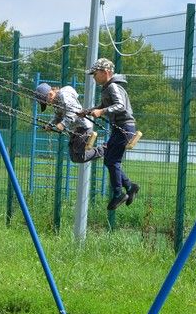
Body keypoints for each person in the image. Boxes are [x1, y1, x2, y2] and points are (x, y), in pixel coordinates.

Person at [85, 58, 143, 211]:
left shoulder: (113, 87)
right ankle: (130, 187)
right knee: (109, 161)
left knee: (113, 161)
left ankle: (119, 193)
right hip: (118, 128)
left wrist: (101, 111)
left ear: (106, 72)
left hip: (125, 127)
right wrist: (88, 111)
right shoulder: (106, 88)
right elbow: (103, 106)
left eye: (95, 74)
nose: (94, 77)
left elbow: (120, 106)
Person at [33, 82, 104, 165]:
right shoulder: (56, 101)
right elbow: (58, 116)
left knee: (80, 157)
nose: (48, 104)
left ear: (50, 93)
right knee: (74, 157)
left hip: (83, 127)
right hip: (75, 130)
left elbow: (73, 112)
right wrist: (50, 125)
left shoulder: (64, 96)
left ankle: (105, 149)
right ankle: (104, 150)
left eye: (46, 101)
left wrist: (62, 124)